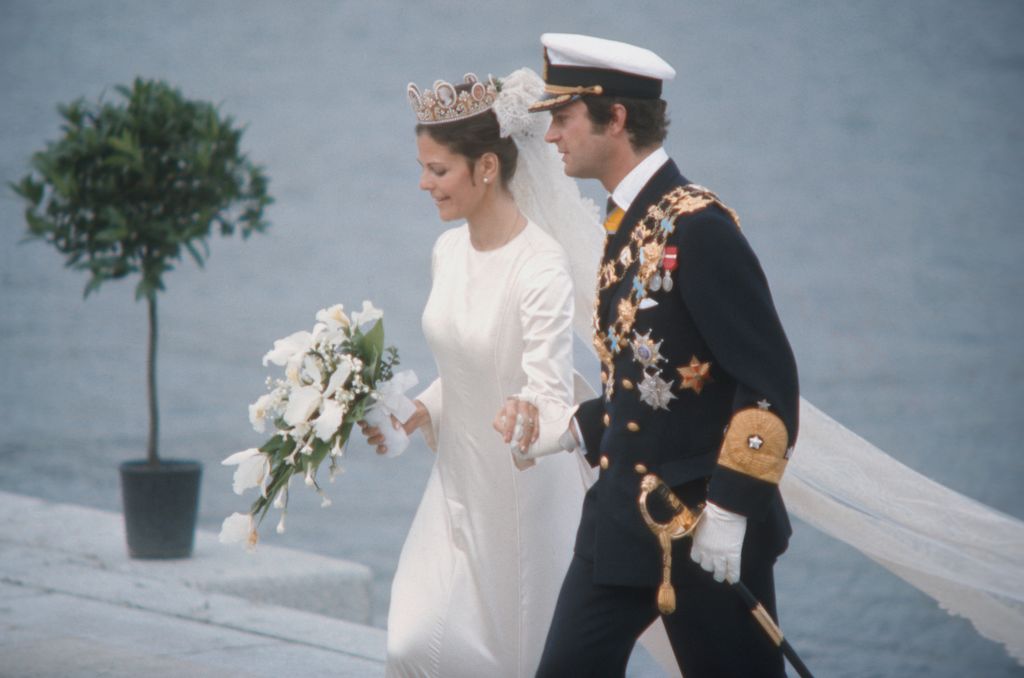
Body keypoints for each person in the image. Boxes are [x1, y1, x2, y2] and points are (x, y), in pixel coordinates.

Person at [528, 34, 800, 677]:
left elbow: (768, 385)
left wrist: (732, 512)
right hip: (621, 516)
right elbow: (654, 373)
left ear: (614, 118)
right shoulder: (632, 218)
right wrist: (579, 427)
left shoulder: (698, 228)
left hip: (701, 525)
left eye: (562, 119)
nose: (551, 137)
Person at [359, 68, 599, 678]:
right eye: (423, 167)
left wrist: (528, 415)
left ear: (486, 167)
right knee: (410, 643)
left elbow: (546, 389)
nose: (423, 183)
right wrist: (419, 413)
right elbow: (467, 363)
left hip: (519, 499)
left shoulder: (541, 268)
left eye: (437, 170)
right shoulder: (448, 251)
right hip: (454, 485)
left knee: (506, 662)